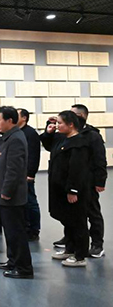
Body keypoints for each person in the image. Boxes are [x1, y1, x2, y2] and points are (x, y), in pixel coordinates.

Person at [41, 111, 91, 267]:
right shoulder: (62, 139)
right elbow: (49, 146)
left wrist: (73, 190)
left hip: (72, 190)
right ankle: (70, 249)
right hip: (59, 188)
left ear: (71, 124)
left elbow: (77, 170)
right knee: (68, 221)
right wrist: (48, 132)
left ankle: (80, 255)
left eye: (60, 123)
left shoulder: (79, 143)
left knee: (77, 222)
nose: (57, 126)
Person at [0, 106, 33, 279]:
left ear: (9, 120)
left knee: (16, 232)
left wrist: (7, 191)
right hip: (5, 194)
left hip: (11, 196)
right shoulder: (7, 136)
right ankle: (13, 260)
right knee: (9, 231)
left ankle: (23, 268)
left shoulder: (15, 139)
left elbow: (14, 169)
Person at [69, 104, 107, 258]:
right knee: (73, 213)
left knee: (92, 212)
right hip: (73, 181)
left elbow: (100, 159)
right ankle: (72, 242)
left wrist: (100, 181)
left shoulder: (93, 135)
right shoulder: (71, 133)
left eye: (72, 114)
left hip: (88, 181)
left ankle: (97, 244)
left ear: (81, 116)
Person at [17, 108, 42, 241]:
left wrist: (31, 173)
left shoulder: (30, 133)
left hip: (26, 174)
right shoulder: (16, 132)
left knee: (30, 201)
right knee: (22, 202)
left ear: (24, 118)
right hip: (18, 173)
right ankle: (25, 226)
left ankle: (34, 229)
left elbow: (34, 155)